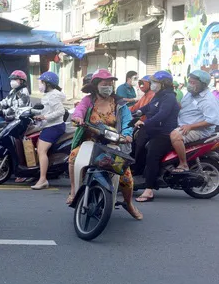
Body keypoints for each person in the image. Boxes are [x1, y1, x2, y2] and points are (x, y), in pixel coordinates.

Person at [69, 69, 143, 220]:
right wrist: (78, 118)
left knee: (126, 176)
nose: (108, 86)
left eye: (110, 84)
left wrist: (128, 135)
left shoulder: (119, 103)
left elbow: (127, 122)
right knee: (73, 156)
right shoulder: (88, 101)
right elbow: (79, 111)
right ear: (96, 85)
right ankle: (73, 190)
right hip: (89, 142)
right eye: (104, 84)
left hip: (112, 143)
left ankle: (128, 203)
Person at [133, 71, 179, 202]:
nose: (152, 84)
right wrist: (138, 112)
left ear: (163, 84)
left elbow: (162, 115)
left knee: (152, 154)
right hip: (153, 130)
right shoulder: (158, 95)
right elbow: (149, 107)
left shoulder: (169, 97)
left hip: (164, 133)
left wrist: (144, 122)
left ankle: (149, 189)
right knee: (136, 144)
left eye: (154, 82)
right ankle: (137, 173)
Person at [170, 70, 219, 172]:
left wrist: (191, 126)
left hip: (200, 130)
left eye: (193, 83)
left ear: (203, 85)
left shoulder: (208, 100)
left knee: (175, 135)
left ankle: (183, 164)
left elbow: (212, 120)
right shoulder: (190, 93)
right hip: (182, 124)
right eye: (189, 81)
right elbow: (183, 107)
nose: (190, 85)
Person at [31, 72, 67, 190]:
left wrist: (44, 117)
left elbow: (60, 111)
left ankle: (42, 179)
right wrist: (36, 113)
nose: (40, 85)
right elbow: (47, 110)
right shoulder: (50, 94)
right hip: (50, 125)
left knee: (41, 151)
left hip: (54, 126)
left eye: (41, 82)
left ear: (48, 83)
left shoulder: (53, 95)